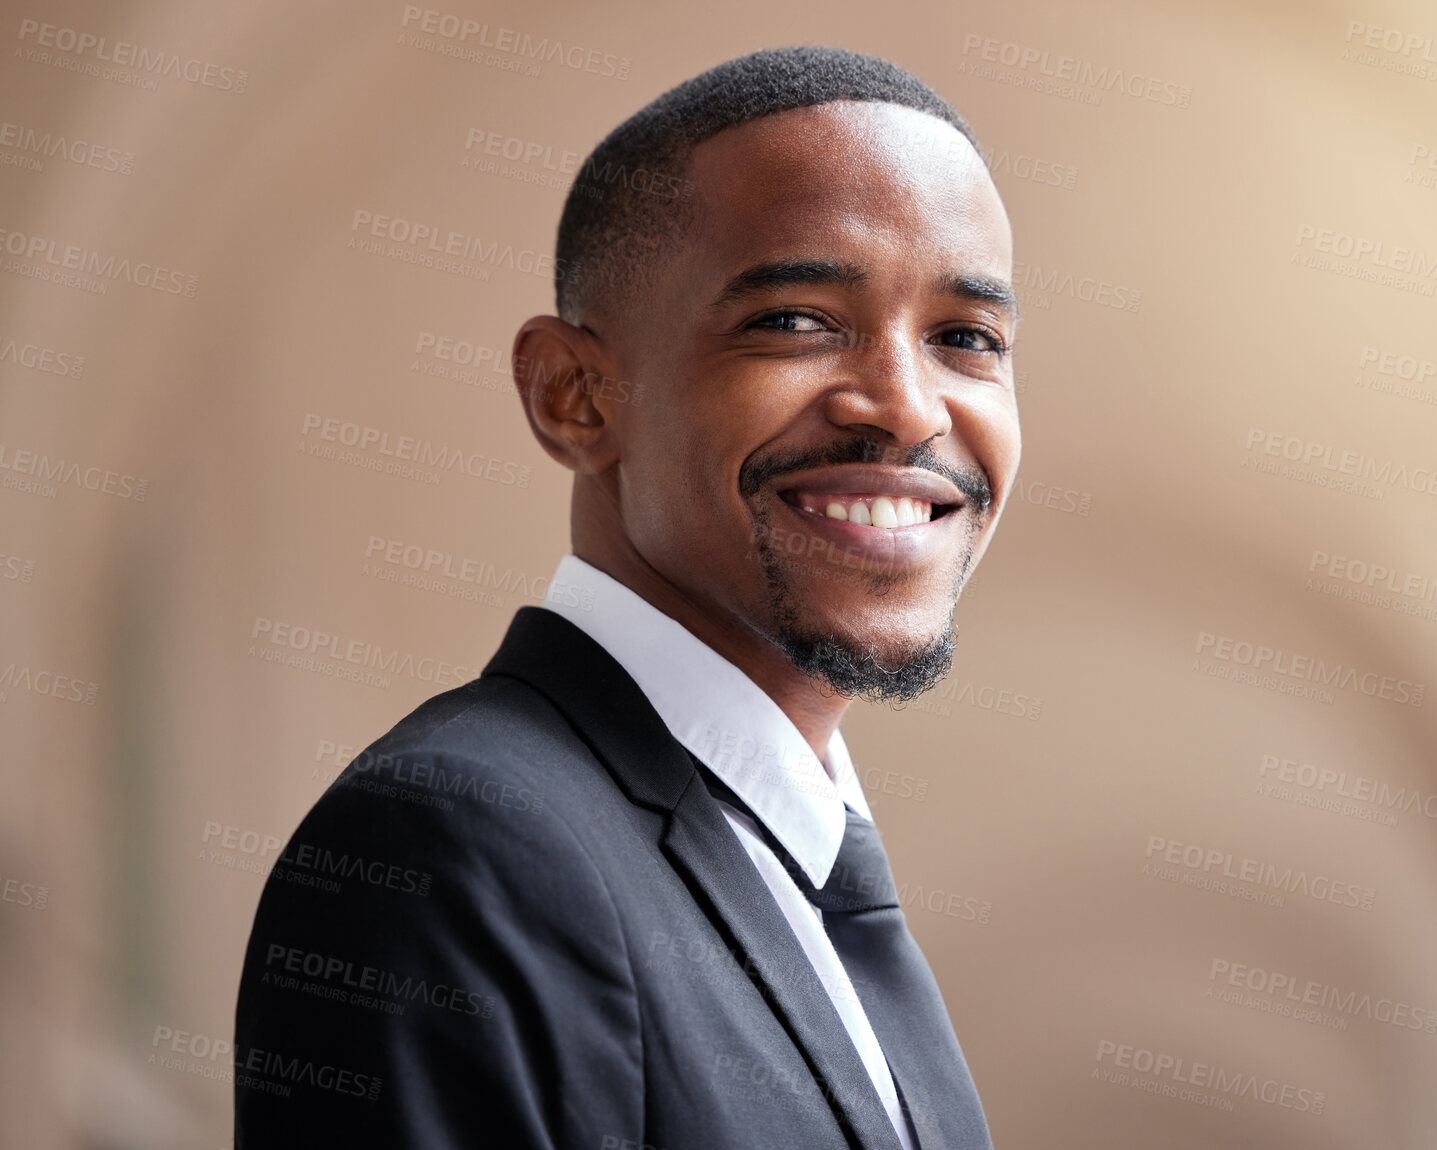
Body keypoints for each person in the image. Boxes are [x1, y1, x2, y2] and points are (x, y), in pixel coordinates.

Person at [234, 45, 1019, 1150]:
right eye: (795, 319)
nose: (905, 407)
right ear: (574, 395)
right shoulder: (453, 849)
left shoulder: (802, 870)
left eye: (966, 339)